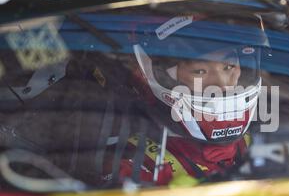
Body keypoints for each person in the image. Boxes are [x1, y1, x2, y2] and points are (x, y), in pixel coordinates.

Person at [101, 12, 270, 187]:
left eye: (229, 66)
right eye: (200, 71)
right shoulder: (134, 162)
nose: (222, 85)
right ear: (155, 76)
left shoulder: (266, 143)